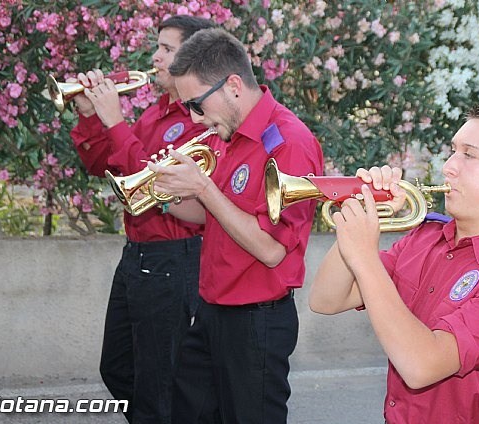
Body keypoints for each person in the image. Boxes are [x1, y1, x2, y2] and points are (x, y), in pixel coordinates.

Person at [309, 102, 479, 423]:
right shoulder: (427, 236)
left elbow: (421, 366)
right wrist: (357, 208)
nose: (448, 166)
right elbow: (326, 300)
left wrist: (364, 257)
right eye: (452, 151)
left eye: (469, 155)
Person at [146, 28, 324, 423]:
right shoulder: (223, 133)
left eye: (196, 103)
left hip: (255, 320)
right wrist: (166, 195)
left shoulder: (288, 143)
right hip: (212, 309)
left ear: (233, 86)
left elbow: (271, 249)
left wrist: (204, 189)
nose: (193, 117)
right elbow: (210, 217)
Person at [69, 15, 216, 424]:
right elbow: (103, 165)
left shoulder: (197, 123)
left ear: (195, 60)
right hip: (137, 256)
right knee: (117, 369)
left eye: (168, 50)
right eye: (159, 47)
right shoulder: (154, 115)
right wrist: (89, 117)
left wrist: (115, 121)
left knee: (158, 383)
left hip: (173, 257)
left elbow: (152, 183)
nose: (155, 57)